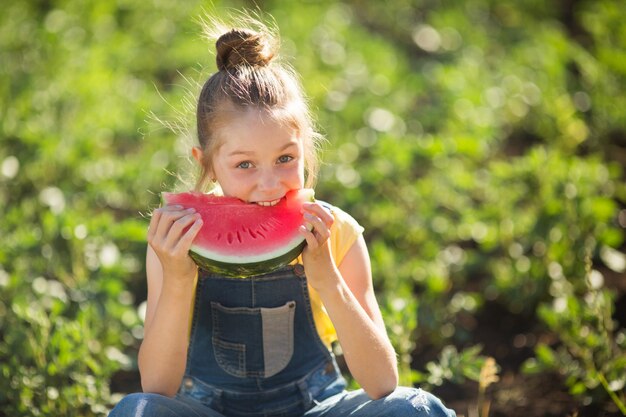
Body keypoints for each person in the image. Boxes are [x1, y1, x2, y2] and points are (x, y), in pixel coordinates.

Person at [109, 14, 456, 417]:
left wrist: (325, 275)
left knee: (414, 408)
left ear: (306, 151)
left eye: (285, 158)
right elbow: (157, 386)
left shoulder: (337, 232)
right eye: (244, 165)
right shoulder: (177, 240)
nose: (270, 183)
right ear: (206, 164)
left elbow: (381, 383)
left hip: (316, 408)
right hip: (209, 411)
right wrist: (179, 276)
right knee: (137, 411)